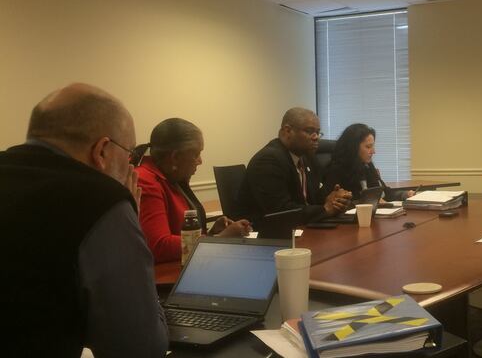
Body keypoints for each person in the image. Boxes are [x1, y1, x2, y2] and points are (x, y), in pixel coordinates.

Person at [0, 83, 168, 357]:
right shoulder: (102, 201)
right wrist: (131, 224)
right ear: (102, 150)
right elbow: (140, 348)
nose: (132, 166)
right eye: (131, 154)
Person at [133, 118, 252, 264]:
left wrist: (214, 232)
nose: (200, 161)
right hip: (167, 279)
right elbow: (159, 245)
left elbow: (181, 234)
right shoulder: (145, 180)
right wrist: (219, 239)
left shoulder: (172, 178)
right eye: (196, 154)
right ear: (175, 157)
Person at [239, 108, 352, 230]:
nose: (316, 137)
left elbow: (316, 198)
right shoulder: (268, 161)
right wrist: (326, 209)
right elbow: (281, 211)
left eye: (318, 132)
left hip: (302, 228)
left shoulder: (308, 158)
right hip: (265, 236)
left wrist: (336, 200)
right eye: (309, 131)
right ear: (288, 131)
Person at [322, 123, 414, 202]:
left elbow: (385, 192)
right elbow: (337, 204)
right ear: (353, 148)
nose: (373, 151)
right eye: (368, 147)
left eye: (372, 146)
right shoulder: (336, 170)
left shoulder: (367, 166)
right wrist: (371, 202)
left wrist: (405, 195)